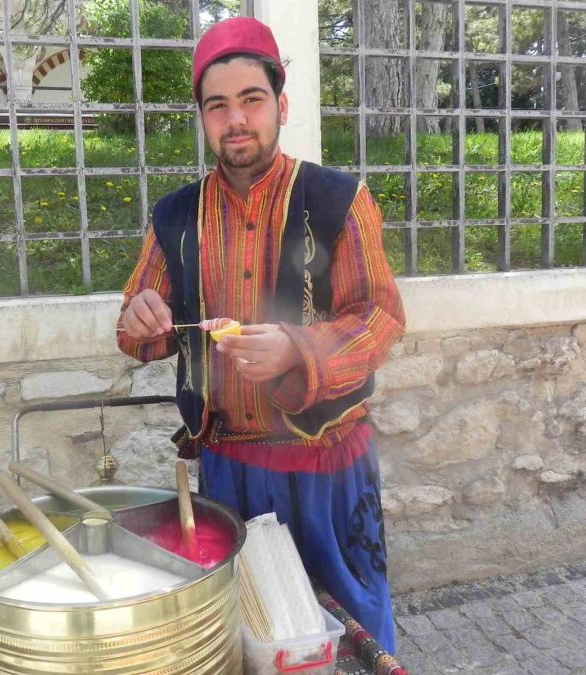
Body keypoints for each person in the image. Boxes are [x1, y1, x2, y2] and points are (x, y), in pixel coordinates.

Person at [116, 16, 405, 653]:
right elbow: (137, 330)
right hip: (227, 468)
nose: (236, 119)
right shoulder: (175, 216)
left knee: (352, 624)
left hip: (328, 464)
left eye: (251, 100)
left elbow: (379, 317)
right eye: (217, 106)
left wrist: (297, 350)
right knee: (248, 633)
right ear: (202, 117)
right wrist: (141, 321)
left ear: (281, 104)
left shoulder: (339, 200)